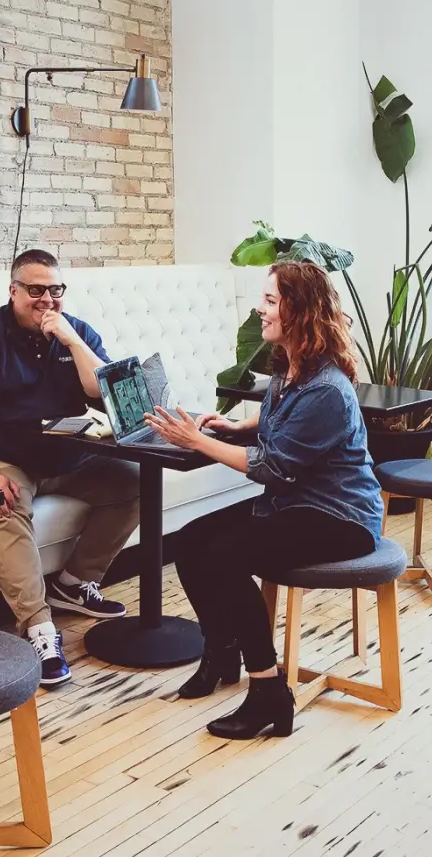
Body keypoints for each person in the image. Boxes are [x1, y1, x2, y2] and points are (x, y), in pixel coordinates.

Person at [143, 262, 383, 739]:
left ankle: (269, 692)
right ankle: (222, 652)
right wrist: (238, 427)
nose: (260, 308)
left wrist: (199, 441)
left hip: (340, 516)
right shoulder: (292, 364)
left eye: (270, 300)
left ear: (299, 310)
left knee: (227, 555)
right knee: (190, 542)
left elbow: (275, 466)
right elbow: (280, 422)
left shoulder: (328, 389)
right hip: (295, 503)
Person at [0, 249, 140, 687]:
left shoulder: (76, 332)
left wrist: (72, 341)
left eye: (54, 290)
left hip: (65, 454)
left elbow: (105, 394)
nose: (46, 299)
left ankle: (75, 582)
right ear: (13, 291)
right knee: (2, 506)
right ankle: (38, 628)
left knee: (136, 483)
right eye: (34, 290)